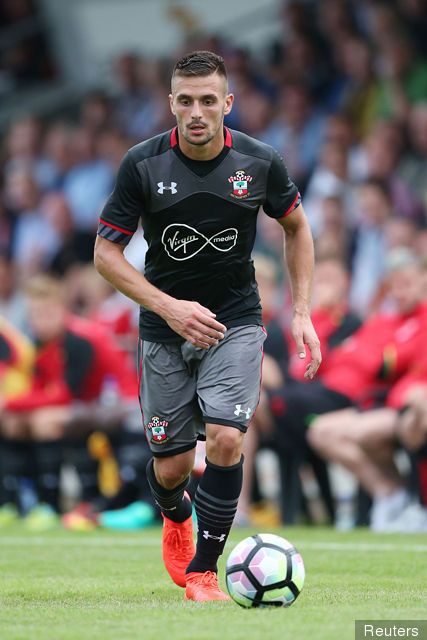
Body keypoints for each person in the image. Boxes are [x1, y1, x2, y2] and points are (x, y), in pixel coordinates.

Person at [94, 50, 321, 602]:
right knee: (171, 468)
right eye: (186, 101)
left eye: (208, 101)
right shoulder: (142, 164)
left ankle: (203, 571)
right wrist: (169, 307)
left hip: (234, 321)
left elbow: (297, 227)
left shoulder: (259, 161)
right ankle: (176, 516)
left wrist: (301, 312)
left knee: (225, 436)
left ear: (228, 103)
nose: (197, 112)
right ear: (171, 103)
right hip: (164, 329)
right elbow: (105, 253)